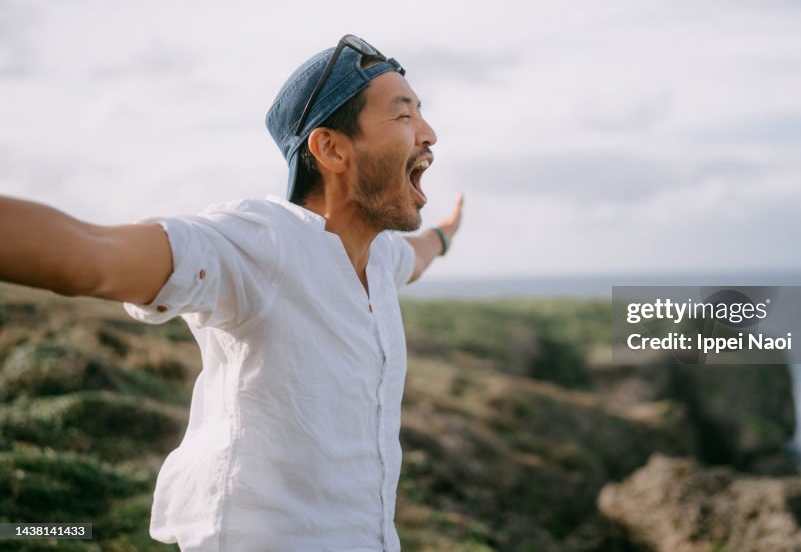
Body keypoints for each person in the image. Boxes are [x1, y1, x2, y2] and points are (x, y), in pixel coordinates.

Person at [0, 34, 464, 551]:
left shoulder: (379, 258)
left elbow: (417, 255)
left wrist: (445, 233)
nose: (429, 132)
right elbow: (91, 255)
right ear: (331, 148)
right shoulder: (258, 243)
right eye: (403, 117)